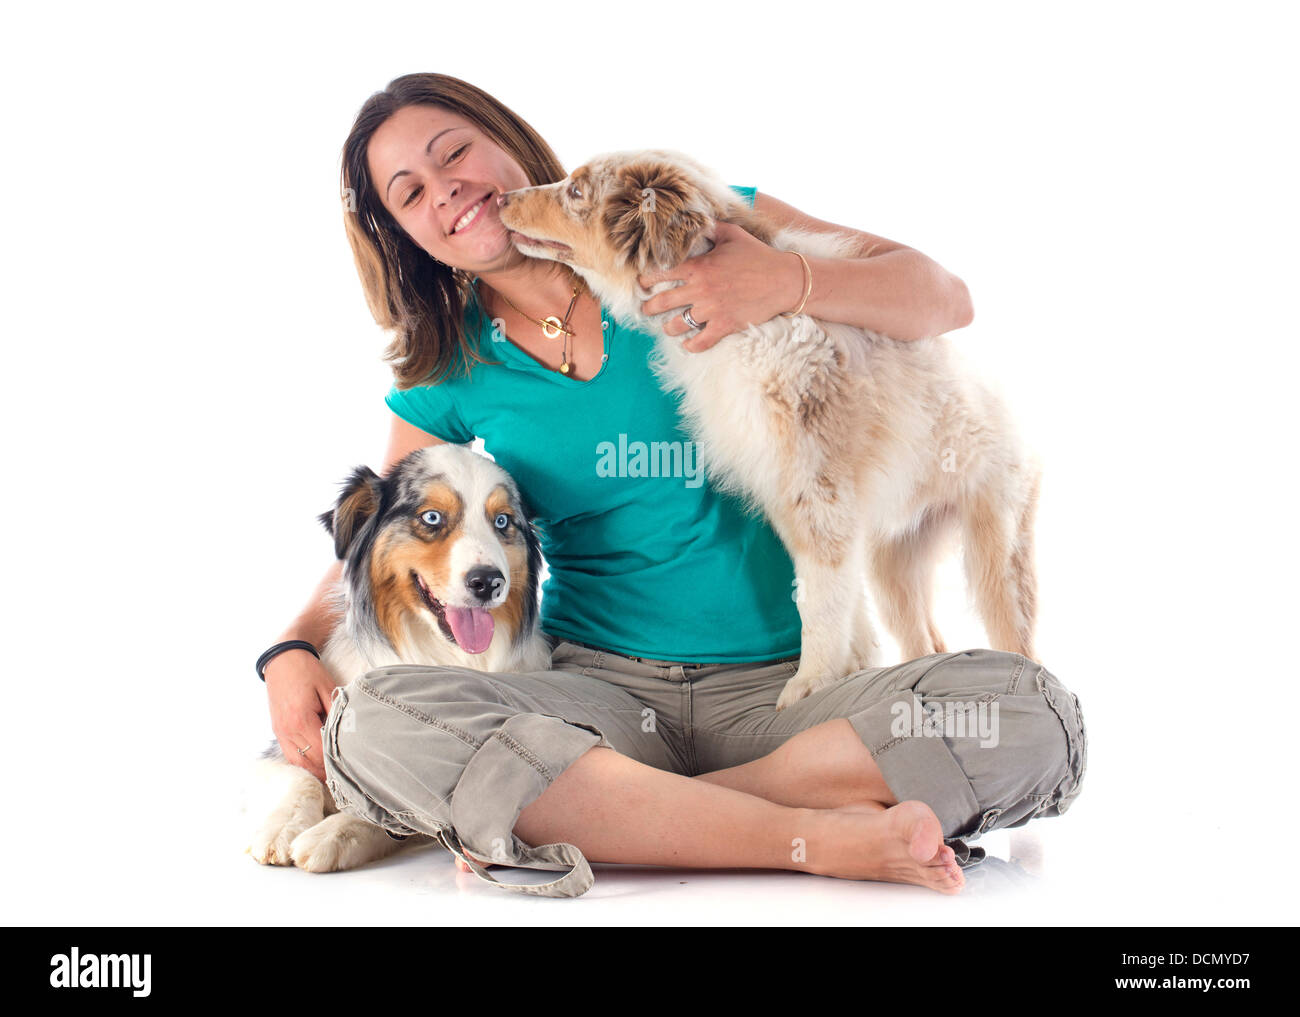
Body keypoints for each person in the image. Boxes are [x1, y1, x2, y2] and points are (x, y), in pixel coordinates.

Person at [259, 73, 1086, 897]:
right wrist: (291, 649)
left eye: (456, 154)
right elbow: (397, 538)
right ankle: (812, 830)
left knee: (1033, 714)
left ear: (502, 137)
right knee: (379, 722)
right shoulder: (449, 363)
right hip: (597, 694)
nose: (451, 192)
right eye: (412, 193)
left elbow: (945, 298)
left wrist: (784, 280)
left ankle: (637, 816)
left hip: (791, 694)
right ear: (404, 232)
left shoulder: (676, 222)